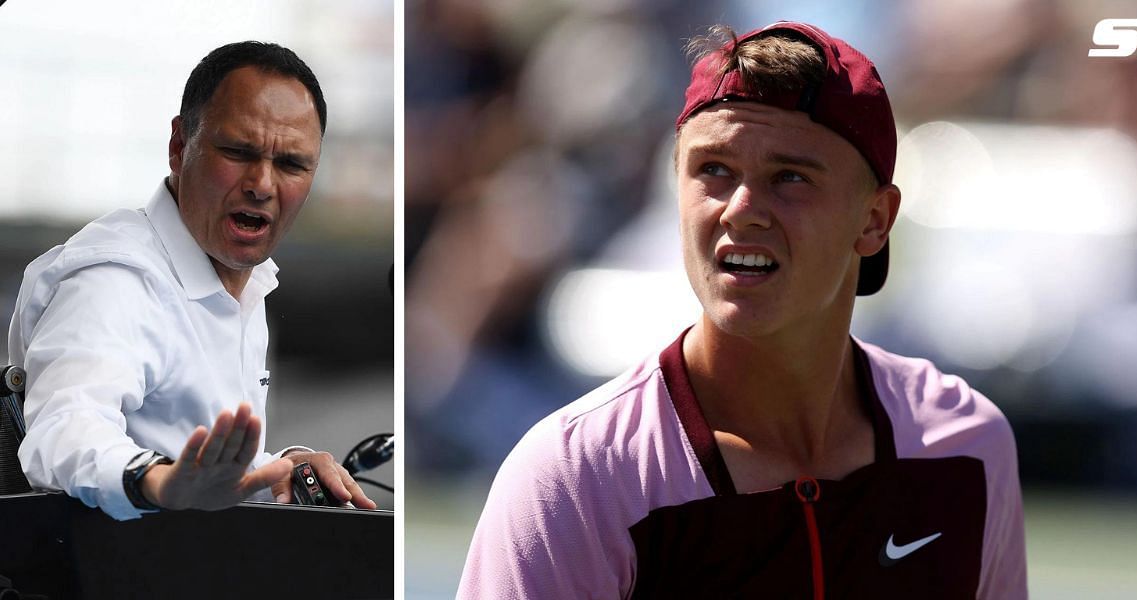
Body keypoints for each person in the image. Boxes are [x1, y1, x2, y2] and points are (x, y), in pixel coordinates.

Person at [457, 21, 1027, 599]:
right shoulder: (574, 477)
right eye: (714, 170)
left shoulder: (967, 447)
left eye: (791, 177)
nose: (742, 210)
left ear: (875, 220)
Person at [8, 41, 376, 521]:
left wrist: (278, 472)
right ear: (179, 147)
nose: (262, 184)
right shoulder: (113, 279)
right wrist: (159, 482)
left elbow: (196, 467)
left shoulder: (247, 277)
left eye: (290, 164)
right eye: (238, 151)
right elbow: (64, 432)